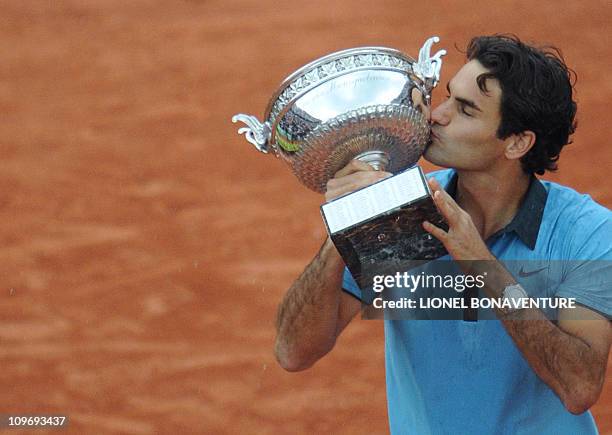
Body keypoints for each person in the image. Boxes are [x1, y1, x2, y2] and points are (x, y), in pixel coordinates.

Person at [274, 34, 611, 434]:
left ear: (518, 142)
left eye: (465, 110)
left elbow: (579, 387)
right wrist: (345, 229)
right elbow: (293, 353)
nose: (436, 114)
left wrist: (481, 263)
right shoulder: (401, 212)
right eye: (448, 96)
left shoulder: (586, 231)